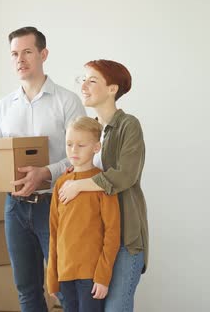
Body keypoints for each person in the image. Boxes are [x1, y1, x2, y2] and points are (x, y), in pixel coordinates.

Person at [0, 26, 86, 311]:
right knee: (26, 290)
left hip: (55, 205)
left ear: (43, 54)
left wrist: (47, 172)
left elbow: (83, 159)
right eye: (14, 54)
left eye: (27, 52)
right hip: (14, 208)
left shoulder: (67, 102)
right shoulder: (4, 107)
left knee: (64, 289)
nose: (20, 59)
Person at [58, 59, 149, 312]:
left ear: (112, 89)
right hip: (94, 243)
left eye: (92, 80)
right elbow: (82, 169)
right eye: (83, 79)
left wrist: (81, 185)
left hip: (124, 240)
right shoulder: (90, 131)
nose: (84, 86)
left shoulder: (129, 125)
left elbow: (126, 175)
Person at [47, 116, 120, 312]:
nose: (73, 150)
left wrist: (103, 277)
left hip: (91, 276)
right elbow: (54, 232)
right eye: (69, 144)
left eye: (81, 145)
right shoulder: (61, 184)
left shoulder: (102, 184)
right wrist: (52, 276)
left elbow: (112, 234)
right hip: (65, 274)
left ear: (96, 147)